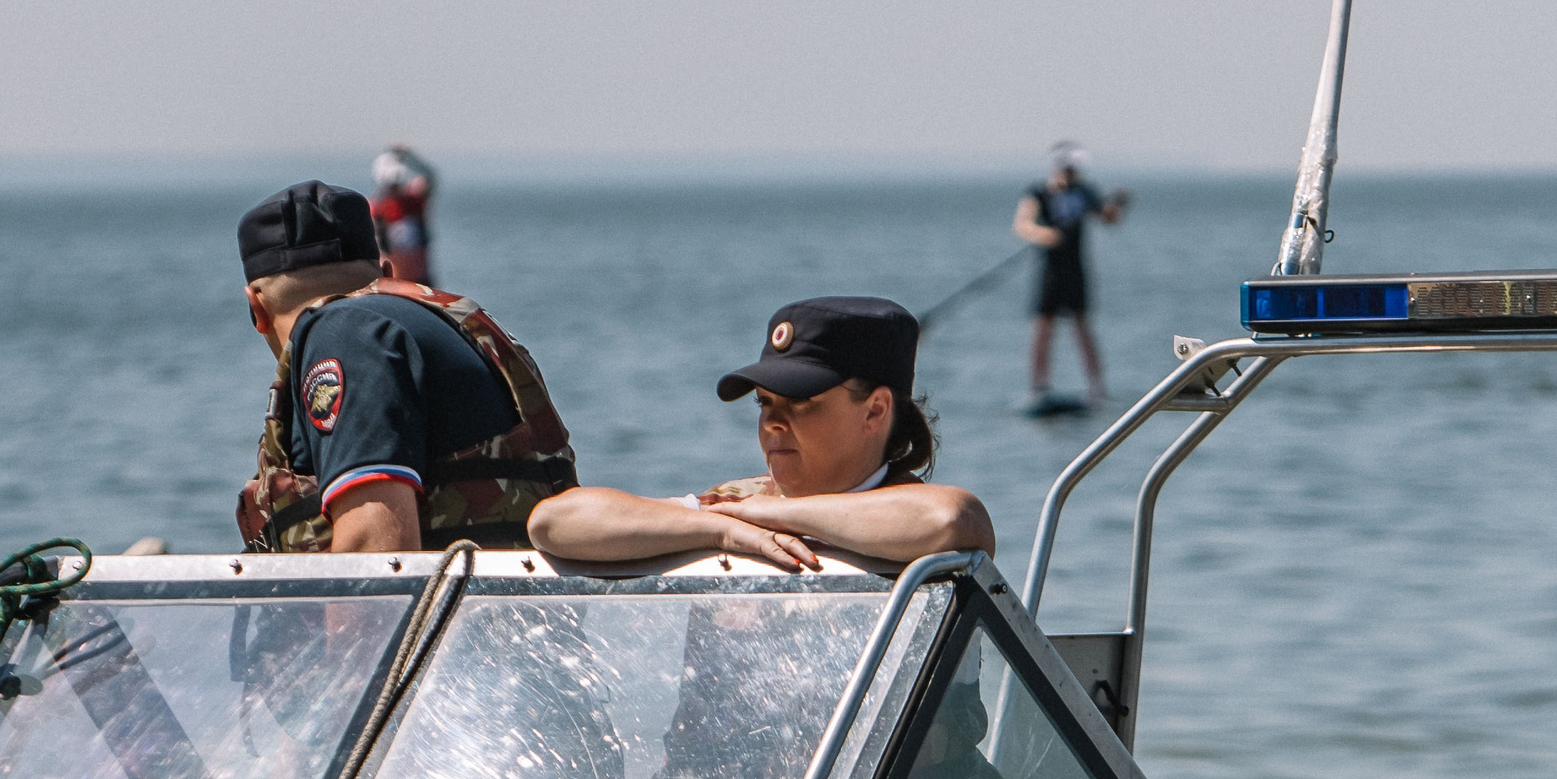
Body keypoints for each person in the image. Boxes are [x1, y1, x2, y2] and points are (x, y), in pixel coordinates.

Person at [233, 180, 577, 555]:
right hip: (512, 606)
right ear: (387, 273)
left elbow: (376, 549)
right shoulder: (431, 325)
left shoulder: (343, 333)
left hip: (450, 612)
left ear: (256, 306)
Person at [526, 297, 992, 569]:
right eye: (764, 402)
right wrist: (722, 531)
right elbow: (554, 522)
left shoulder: (908, 516)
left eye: (802, 402)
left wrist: (780, 517)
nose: (772, 422)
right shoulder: (737, 506)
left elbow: (951, 520)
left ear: (875, 410)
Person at [1013, 143, 1129, 406]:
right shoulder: (1039, 192)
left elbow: (1108, 218)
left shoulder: (1085, 193)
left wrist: (1118, 204)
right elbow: (1022, 224)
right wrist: (1045, 235)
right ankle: (1038, 386)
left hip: (1076, 270)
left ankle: (1096, 387)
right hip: (1050, 270)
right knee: (1043, 328)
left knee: (1082, 328)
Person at [371, 144, 436, 284]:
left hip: (422, 279)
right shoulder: (375, 209)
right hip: (395, 281)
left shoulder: (414, 200)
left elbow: (430, 177)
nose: (394, 188)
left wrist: (409, 157)